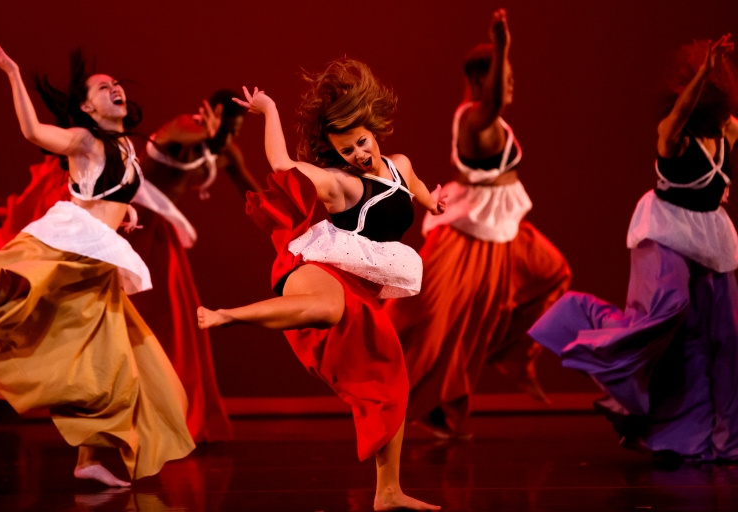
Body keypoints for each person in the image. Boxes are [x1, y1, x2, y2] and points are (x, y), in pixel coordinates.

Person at [198, 59, 445, 511]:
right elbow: (280, 163)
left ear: (372, 129)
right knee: (329, 310)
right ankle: (228, 315)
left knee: (391, 379)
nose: (360, 154)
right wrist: (269, 109)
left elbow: (417, 188)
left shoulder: (400, 165)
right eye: (348, 150)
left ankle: (388, 492)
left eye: (362, 142)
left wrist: (436, 200)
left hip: (364, 284)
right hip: (324, 265)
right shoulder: (340, 185)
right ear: (337, 155)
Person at [0, 41, 195, 485]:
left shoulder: (125, 147)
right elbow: (35, 132)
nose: (115, 88)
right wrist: (13, 74)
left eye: (116, 84)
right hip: (70, 250)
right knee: (7, 293)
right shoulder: (84, 139)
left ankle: (88, 458)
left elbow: (118, 192)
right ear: (86, 107)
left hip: (97, 265)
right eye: (103, 86)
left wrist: (132, 214)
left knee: (115, 365)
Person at [529, 35, 738, 460]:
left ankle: (713, 437)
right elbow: (680, 113)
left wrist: (720, 190)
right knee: (668, 309)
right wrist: (704, 70)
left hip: (710, 236)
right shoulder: (672, 138)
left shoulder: (728, 130)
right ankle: (581, 323)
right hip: (664, 231)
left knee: (724, 334)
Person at [383, 9, 571, 438]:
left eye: (509, 75)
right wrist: (503, 43)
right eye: (502, 76)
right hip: (469, 235)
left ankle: (508, 351)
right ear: (478, 82)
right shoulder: (473, 118)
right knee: (434, 321)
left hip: (502, 230)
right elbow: (496, 102)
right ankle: (409, 400)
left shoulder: (490, 119)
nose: (510, 83)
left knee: (552, 273)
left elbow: (500, 105)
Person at [121, 91, 261, 443]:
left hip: (160, 234)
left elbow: (251, 189)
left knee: (179, 322)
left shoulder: (225, 149)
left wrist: (286, 223)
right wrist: (210, 134)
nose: (229, 137)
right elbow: (180, 136)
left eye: (235, 130)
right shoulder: (186, 126)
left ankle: (174, 414)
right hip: (131, 226)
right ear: (212, 113)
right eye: (226, 126)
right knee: (128, 316)